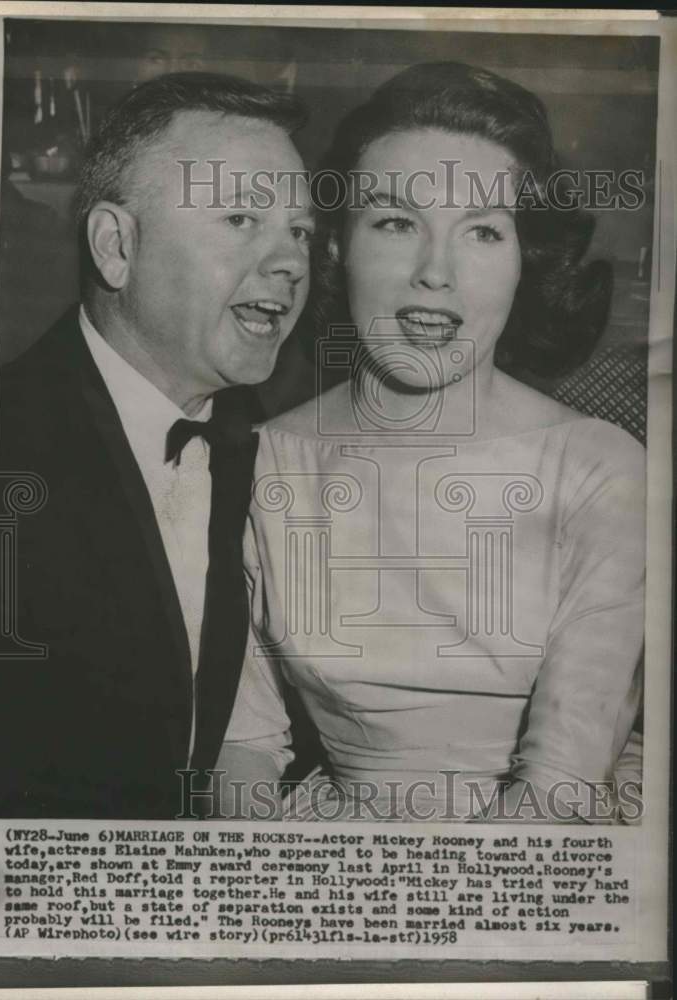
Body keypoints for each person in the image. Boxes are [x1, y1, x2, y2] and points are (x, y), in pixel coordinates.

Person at [216, 62, 644, 824]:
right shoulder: (259, 459)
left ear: (524, 261)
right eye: (394, 223)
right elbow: (242, 744)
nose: (434, 274)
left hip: (540, 856)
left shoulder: (599, 469)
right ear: (337, 247)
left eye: (482, 231)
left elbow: (559, 784)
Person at [0, 72, 314, 819]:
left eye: (298, 231)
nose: (290, 262)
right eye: (240, 219)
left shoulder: (263, 448)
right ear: (115, 246)